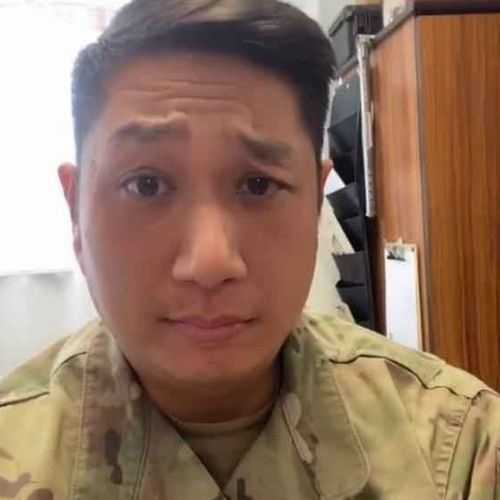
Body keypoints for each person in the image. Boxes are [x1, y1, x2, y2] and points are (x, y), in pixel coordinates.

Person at [0, 0, 499, 498]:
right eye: (147, 184)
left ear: (315, 205)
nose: (210, 262)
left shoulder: (460, 453)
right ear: (75, 212)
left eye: (258, 185)